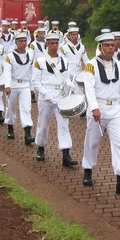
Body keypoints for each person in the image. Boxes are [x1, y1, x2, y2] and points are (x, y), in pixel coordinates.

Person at [81, 32, 120, 193]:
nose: (111, 48)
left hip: (115, 109)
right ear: (100, 47)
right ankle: (88, 170)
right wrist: (94, 107)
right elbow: (88, 87)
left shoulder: (119, 65)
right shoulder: (91, 64)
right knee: (93, 142)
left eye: (112, 45)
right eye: (107, 45)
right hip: (98, 109)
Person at [31, 32, 78, 166]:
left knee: (64, 125)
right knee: (43, 124)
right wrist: (45, 93)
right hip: (46, 97)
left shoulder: (63, 60)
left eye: (56, 43)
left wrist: (70, 85)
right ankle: (40, 147)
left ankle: (66, 154)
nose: (54, 46)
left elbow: (66, 77)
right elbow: (35, 81)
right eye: (51, 43)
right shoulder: (39, 61)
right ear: (47, 44)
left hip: (61, 95)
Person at [3, 32, 36, 145]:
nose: (23, 43)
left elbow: (32, 72)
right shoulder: (10, 56)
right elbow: (7, 71)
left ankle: (27, 134)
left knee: (26, 109)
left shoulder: (30, 55)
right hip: (13, 84)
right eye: (20, 41)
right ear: (16, 43)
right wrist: (7, 85)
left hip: (25, 85)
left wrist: (32, 87)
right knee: (11, 108)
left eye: (24, 41)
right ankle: (10, 126)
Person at [60, 25, 89, 93]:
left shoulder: (82, 47)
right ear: (69, 36)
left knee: (79, 94)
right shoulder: (64, 48)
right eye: (73, 35)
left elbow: (86, 60)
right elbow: (62, 63)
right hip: (68, 74)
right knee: (67, 94)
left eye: (76, 34)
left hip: (78, 73)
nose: (75, 36)